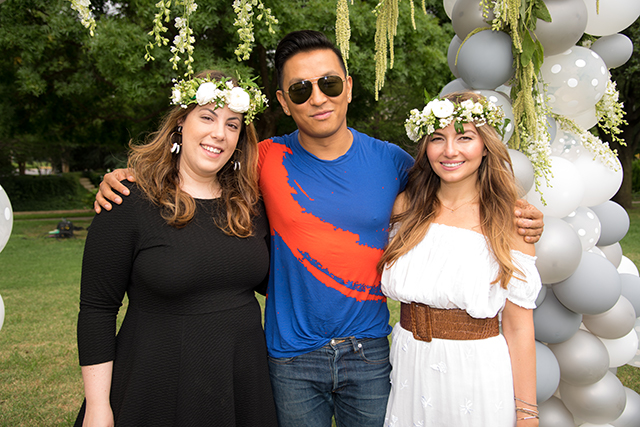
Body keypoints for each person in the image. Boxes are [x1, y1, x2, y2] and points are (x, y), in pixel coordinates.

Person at [93, 31, 544, 427]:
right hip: (290, 357)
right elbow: (201, 172)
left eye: (329, 83)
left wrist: (513, 212)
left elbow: (450, 193)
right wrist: (126, 177)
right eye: (301, 89)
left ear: (348, 87)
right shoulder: (262, 160)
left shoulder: (392, 162)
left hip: (370, 352)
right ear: (283, 101)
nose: (318, 98)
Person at [75, 70, 278, 427]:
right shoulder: (128, 201)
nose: (219, 133)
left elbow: (274, 282)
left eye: (232, 124)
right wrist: (97, 405)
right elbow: (97, 309)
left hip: (241, 384)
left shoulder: (250, 205)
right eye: (207, 117)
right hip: (157, 384)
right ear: (180, 123)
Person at [379, 92, 541, 427]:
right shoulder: (406, 207)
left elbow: (518, 325)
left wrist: (527, 413)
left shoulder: (510, 219)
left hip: (475, 370)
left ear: (486, 146)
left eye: (465, 137)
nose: (450, 151)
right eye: (438, 138)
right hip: (411, 365)